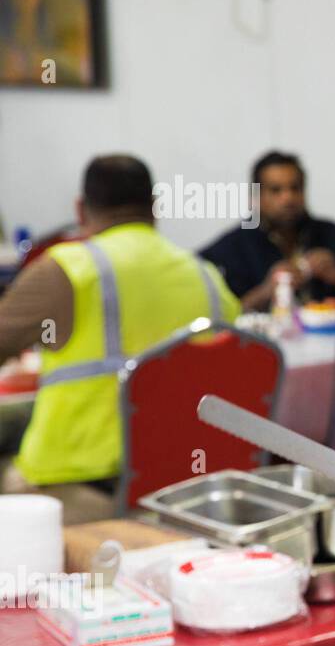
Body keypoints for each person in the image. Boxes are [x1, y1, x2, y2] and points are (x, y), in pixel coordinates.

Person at [0, 155, 241, 524]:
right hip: (190, 486)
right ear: (154, 206)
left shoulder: (66, 270)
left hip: (82, 489)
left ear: (80, 209)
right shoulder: (207, 276)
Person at [199, 151, 335, 311]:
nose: (288, 198)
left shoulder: (330, 235)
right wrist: (267, 291)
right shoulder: (232, 248)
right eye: (276, 190)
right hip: (261, 345)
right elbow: (213, 314)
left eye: (295, 188)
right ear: (256, 197)